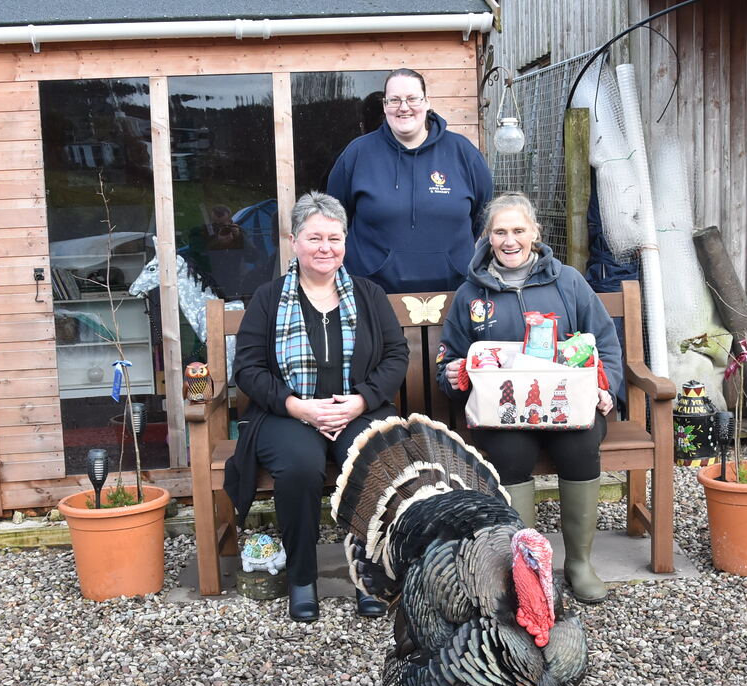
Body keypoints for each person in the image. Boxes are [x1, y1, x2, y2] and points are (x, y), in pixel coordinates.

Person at [223, 191, 410, 622]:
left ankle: (370, 574)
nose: (325, 248)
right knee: (301, 465)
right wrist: (297, 407)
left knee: (370, 459)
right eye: (314, 238)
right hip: (286, 414)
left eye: (334, 237)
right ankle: (302, 577)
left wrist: (362, 400)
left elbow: (396, 356)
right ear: (294, 241)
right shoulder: (269, 299)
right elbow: (248, 369)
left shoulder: (368, 294)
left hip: (359, 409)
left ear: (345, 241)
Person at [436, 193, 622, 604]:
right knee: (509, 454)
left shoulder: (568, 281)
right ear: (487, 237)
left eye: (519, 230)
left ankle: (578, 563)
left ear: (535, 233)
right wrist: (452, 373)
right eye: (500, 231)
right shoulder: (471, 294)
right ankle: (526, 568)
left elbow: (605, 342)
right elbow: (450, 355)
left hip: (566, 405)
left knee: (580, 444)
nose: (509, 240)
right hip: (504, 414)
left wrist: (605, 389)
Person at [326, 68, 493, 293]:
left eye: (412, 98)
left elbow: (481, 214)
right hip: (373, 296)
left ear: (426, 102)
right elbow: (335, 217)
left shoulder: (463, 153)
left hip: (454, 294)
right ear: (385, 106)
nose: (403, 107)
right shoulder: (357, 154)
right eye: (394, 100)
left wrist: (447, 259)